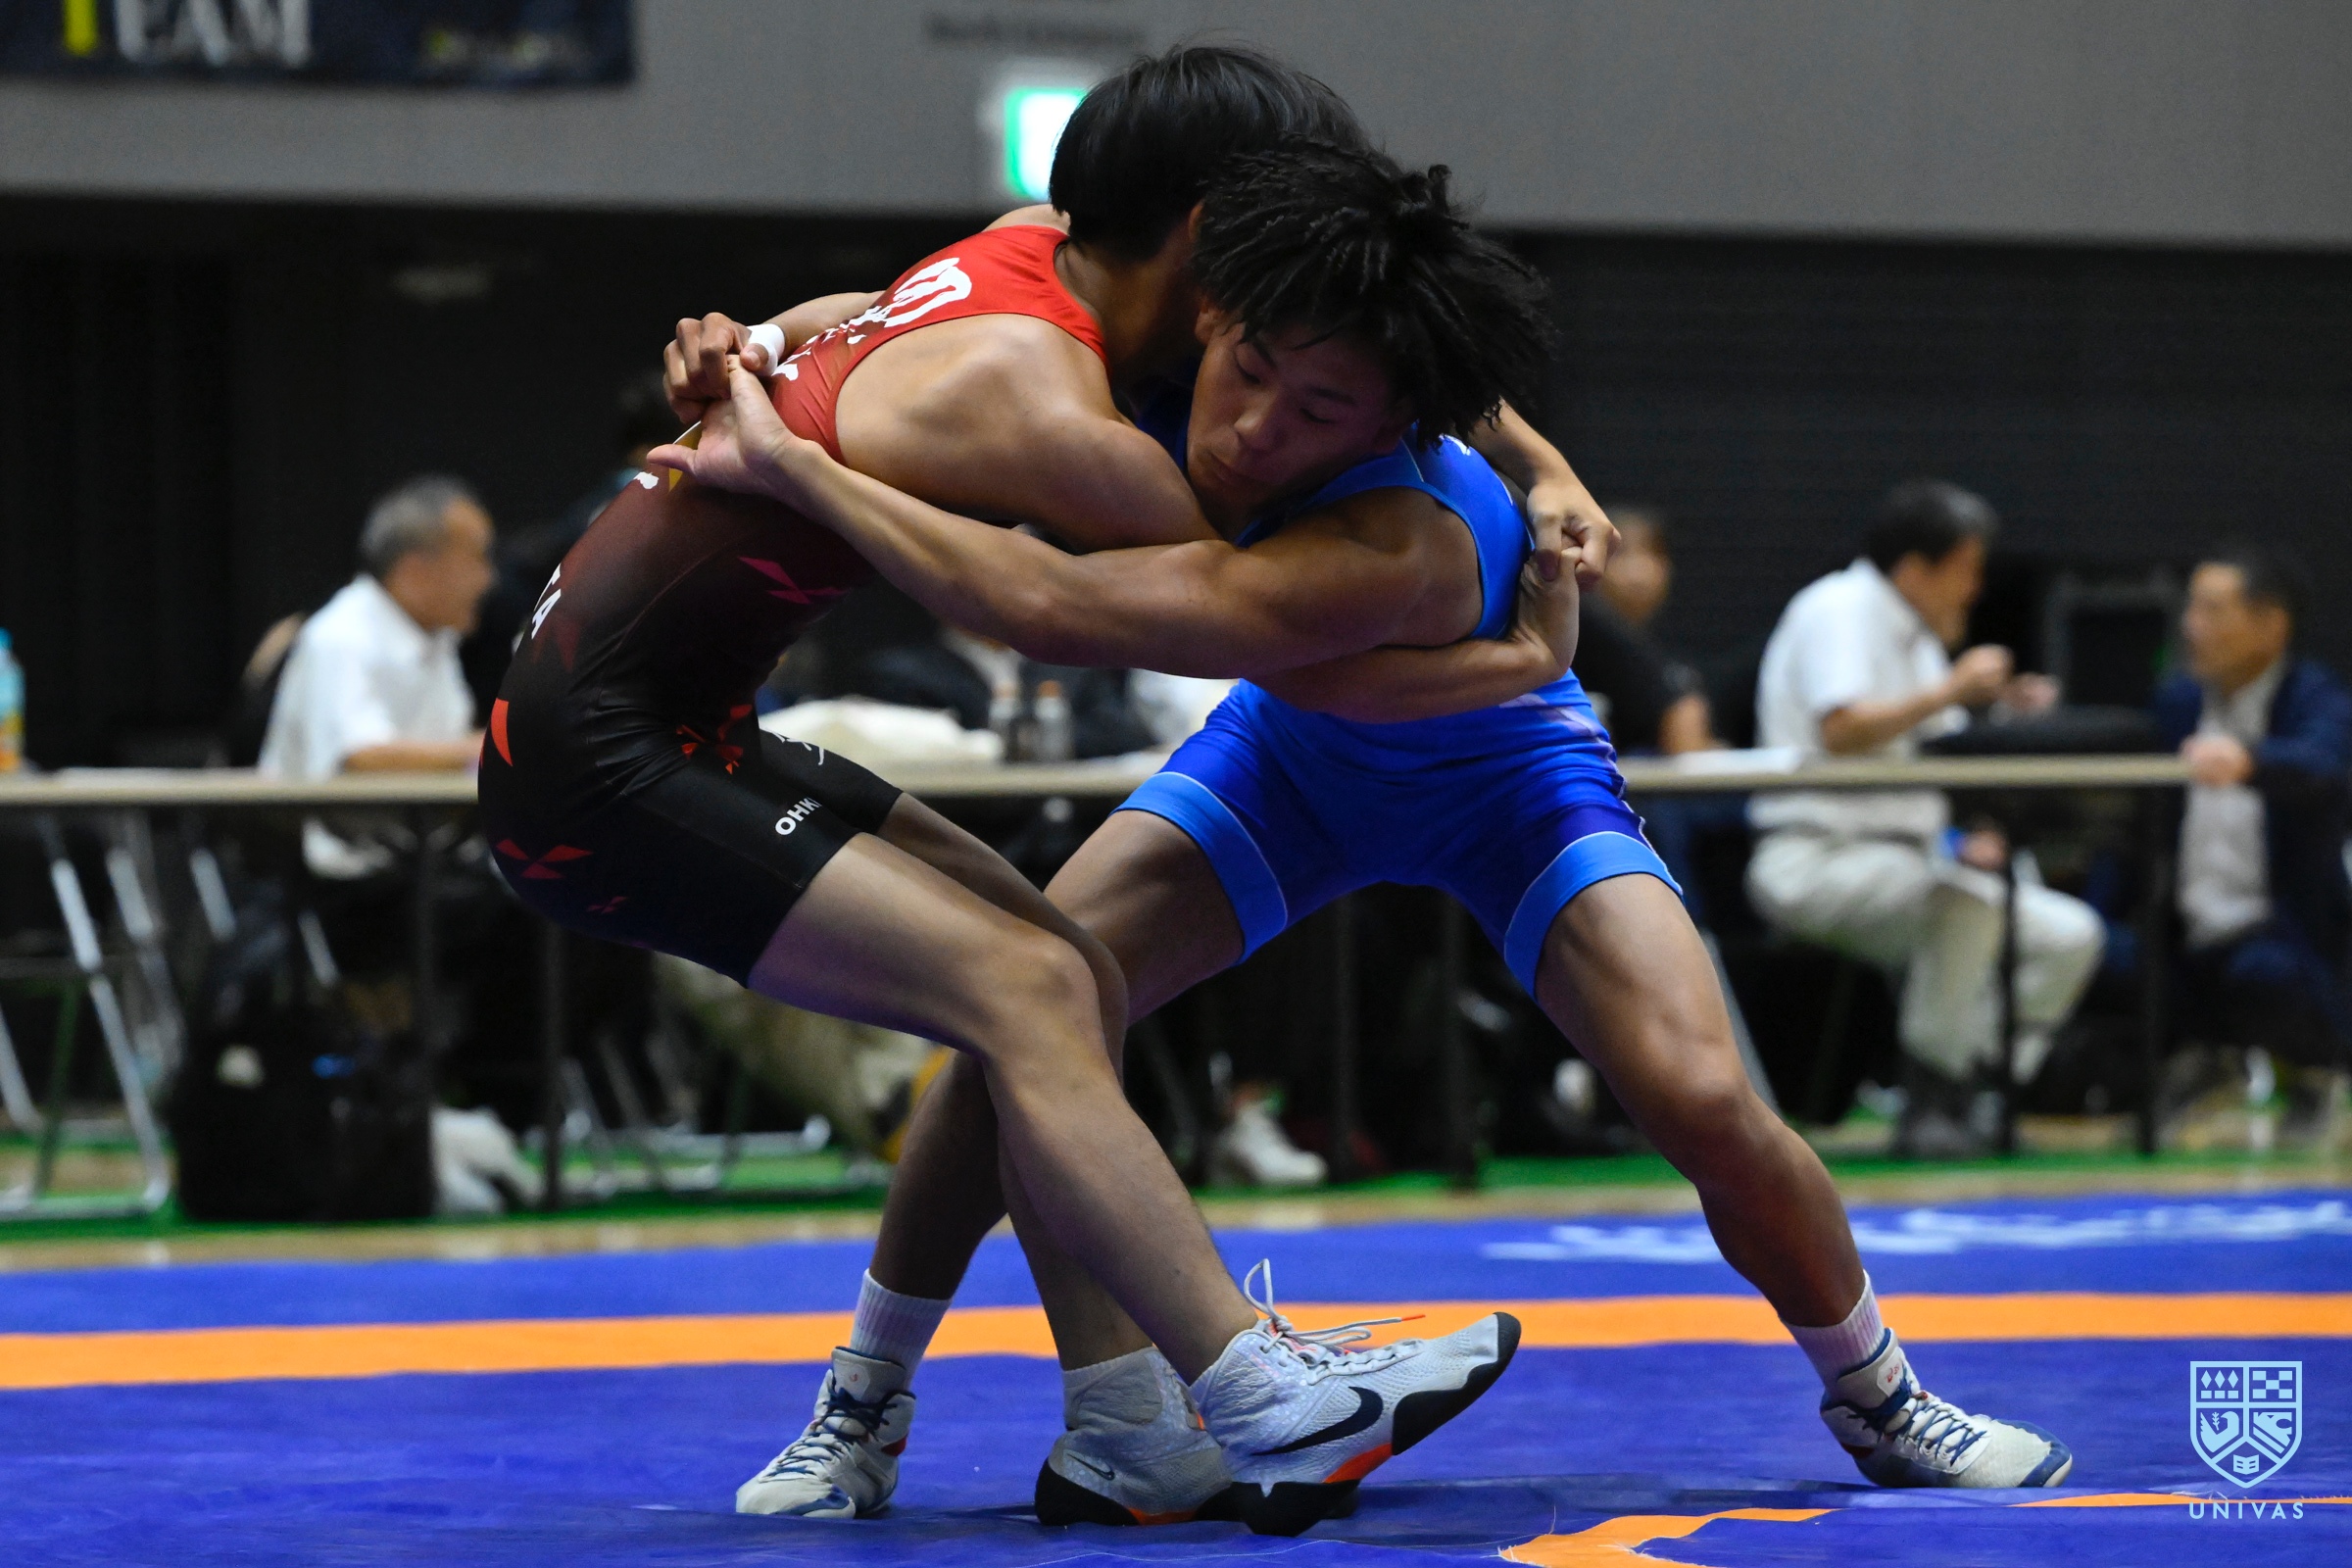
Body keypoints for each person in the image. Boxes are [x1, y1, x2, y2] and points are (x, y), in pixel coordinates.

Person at [662, 146, 2077, 1527]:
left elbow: (1063, 612)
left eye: (1319, 411)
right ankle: (862, 1403)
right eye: (1251, 372)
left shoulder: (1406, 538)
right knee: (1019, 1015)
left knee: (1702, 1094)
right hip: (1292, 758)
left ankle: (1882, 1397)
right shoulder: (1197, 341)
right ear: (1217, 312)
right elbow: (915, 303)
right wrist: (762, 341)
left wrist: (798, 470)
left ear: (1398, 421)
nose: (1253, 431)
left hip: (1504, 776)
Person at [487, 51, 1558, 1538]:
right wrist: (1517, 657)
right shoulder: (1049, 412)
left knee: (1070, 972)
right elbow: (1263, 625)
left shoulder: (1025, 245)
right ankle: (1259, 1391)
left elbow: (848, 316)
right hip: (601, 773)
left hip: (663, 724)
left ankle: (1110, 1423)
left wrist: (758, 339)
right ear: (1208, 234)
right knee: (1029, 991)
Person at [1744, 481, 2104, 1154]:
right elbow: (1842, 727)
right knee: (1964, 908)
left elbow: (1941, 748)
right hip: (1813, 856)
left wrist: (1999, 710)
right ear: (1916, 568)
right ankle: (1930, 1105)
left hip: (1910, 860)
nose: (1975, 589)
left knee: (2070, 934)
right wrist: (1950, 690)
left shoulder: (1918, 639)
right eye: (1967, 569)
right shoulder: (1839, 608)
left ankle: (1981, 1089)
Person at [2156, 547, 2352, 1141]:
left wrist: (2251, 761)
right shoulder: (2179, 702)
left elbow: (2322, 764)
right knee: (2104, 953)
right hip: (2186, 929)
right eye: (2191, 608)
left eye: (2213, 611)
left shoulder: (2316, 697)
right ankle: (2209, 1063)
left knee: (2262, 976)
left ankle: (2318, 1069)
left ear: (2271, 625)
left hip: (2279, 935)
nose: (2192, 626)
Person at [259, 474, 493, 876]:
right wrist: (493, 748)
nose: (488, 578)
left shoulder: (437, 639)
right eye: (477, 558)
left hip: (421, 860)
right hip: (343, 877)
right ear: (416, 571)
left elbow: (448, 745)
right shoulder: (341, 636)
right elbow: (360, 755)